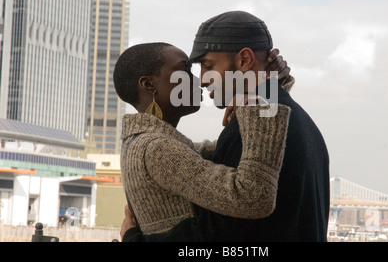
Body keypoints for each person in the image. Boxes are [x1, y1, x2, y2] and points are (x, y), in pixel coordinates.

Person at [121, 11, 330, 242]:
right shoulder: (294, 120)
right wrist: (269, 92)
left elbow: (216, 237)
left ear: (244, 60)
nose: (201, 80)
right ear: (148, 84)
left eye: (207, 66)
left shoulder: (260, 126)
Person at [114, 42, 293, 237]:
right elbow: (252, 198)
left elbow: (231, 148)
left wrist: (270, 87)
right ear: (149, 84)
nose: (200, 81)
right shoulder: (157, 149)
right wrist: (260, 107)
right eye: (185, 69)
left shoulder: (144, 144)